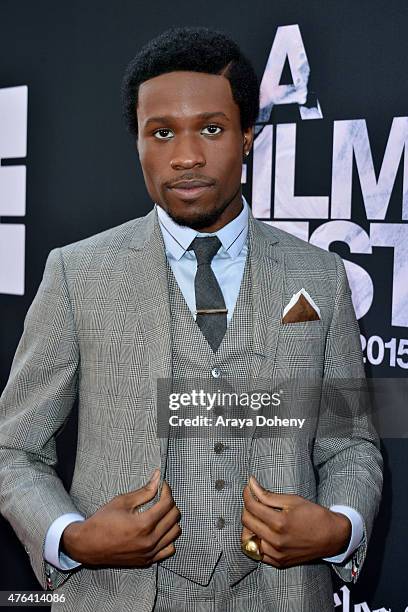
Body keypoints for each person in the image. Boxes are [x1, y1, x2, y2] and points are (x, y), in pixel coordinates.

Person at [0, 26, 383, 612]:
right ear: (138, 144)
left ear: (248, 136)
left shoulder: (322, 277)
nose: (186, 156)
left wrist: (339, 528)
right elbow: (14, 448)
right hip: (118, 597)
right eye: (161, 133)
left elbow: (351, 441)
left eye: (211, 128)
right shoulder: (76, 274)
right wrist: (71, 537)